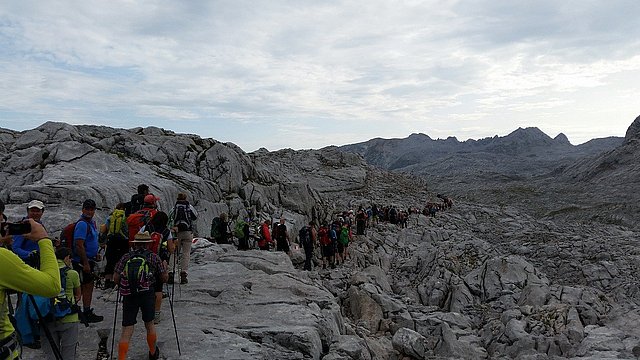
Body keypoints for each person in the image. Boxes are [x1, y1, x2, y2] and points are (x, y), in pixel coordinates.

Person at [0, 199, 61, 360]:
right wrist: (44, 241)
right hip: (20, 270)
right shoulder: (27, 230)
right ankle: (28, 332)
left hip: (20, 270)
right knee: (25, 304)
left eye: (38, 210)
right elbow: (52, 286)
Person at [114, 232, 167, 360]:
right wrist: (165, 270)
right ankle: (153, 352)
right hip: (147, 294)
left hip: (129, 294)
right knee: (149, 324)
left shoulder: (126, 257)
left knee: (127, 327)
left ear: (135, 244)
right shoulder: (154, 257)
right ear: (148, 244)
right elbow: (163, 278)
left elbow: (116, 278)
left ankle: (122, 357)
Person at [40, 247, 81, 360]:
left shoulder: (44, 273)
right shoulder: (72, 273)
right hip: (69, 317)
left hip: (47, 317)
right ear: (67, 258)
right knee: (68, 354)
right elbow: (78, 295)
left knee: (51, 355)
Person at [72, 199, 103, 323]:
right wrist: (85, 263)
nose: (90, 211)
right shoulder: (82, 224)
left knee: (88, 286)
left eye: (92, 209)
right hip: (81, 261)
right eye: (87, 209)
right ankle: (83, 312)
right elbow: (79, 245)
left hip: (89, 259)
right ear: (83, 209)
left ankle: (85, 310)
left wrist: (94, 255)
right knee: (84, 286)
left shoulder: (91, 223)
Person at [144, 211, 173, 323]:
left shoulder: (146, 227)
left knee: (144, 284)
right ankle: (156, 315)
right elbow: (170, 249)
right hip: (160, 262)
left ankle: (145, 311)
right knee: (158, 289)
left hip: (144, 260)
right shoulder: (166, 231)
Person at [169, 193, 197, 285]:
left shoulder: (174, 207)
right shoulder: (189, 207)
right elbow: (195, 217)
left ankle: (171, 273)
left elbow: (170, 218)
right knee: (186, 253)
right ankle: (184, 274)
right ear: (186, 198)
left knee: (174, 253)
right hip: (187, 232)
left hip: (176, 233)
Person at [103, 203, 128, 289]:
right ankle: (116, 281)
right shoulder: (125, 217)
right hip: (123, 241)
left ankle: (107, 281)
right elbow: (126, 230)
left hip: (111, 241)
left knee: (109, 261)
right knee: (120, 261)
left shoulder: (110, 217)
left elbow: (105, 229)